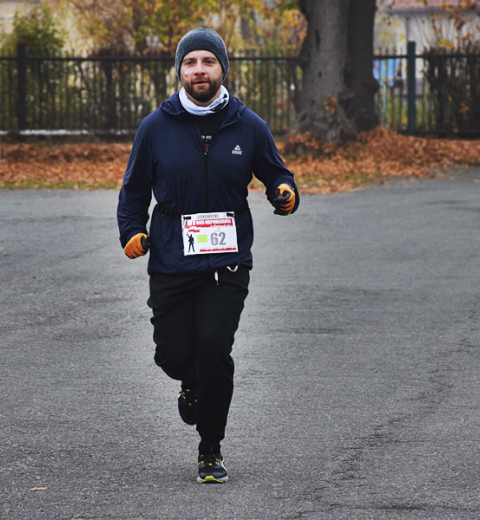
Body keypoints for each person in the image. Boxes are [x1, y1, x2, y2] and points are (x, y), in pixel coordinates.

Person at [117, 27, 299, 483]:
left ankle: (210, 448)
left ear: (222, 69)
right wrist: (132, 231)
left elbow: (277, 172)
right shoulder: (156, 127)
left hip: (228, 259)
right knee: (174, 355)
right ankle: (191, 381)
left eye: (208, 62)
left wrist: (285, 192)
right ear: (180, 71)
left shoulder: (248, 125)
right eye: (191, 63)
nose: (199, 70)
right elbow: (133, 190)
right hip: (171, 259)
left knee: (215, 347)